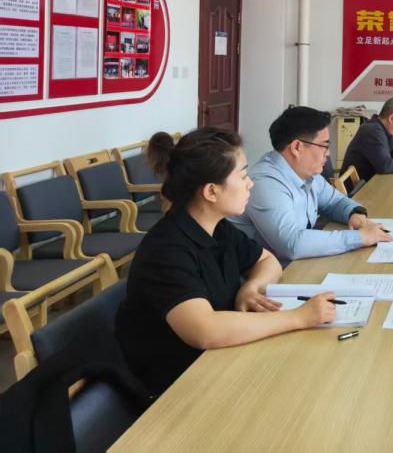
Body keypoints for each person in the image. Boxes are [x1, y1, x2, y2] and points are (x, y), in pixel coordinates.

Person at [115, 129, 337, 396]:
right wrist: (298, 318)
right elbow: (205, 330)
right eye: (242, 176)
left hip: (222, 360)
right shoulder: (166, 251)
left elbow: (268, 261)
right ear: (211, 191)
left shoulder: (217, 227)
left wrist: (250, 288)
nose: (250, 184)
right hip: (178, 388)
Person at [231, 106, 391, 262]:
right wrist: (359, 237)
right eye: (324, 146)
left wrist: (355, 214)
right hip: (266, 273)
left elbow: (335, 201)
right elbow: (291, 244)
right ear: (297, 147)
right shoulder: (265, 183)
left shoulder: (306, 173)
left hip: (298, 264)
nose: (328, 153)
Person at [340, 96, 393, 183]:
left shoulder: (381, 127)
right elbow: (385, 166)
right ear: (392, 118)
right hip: (358, 189)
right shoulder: (372, 131)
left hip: (370, 182)